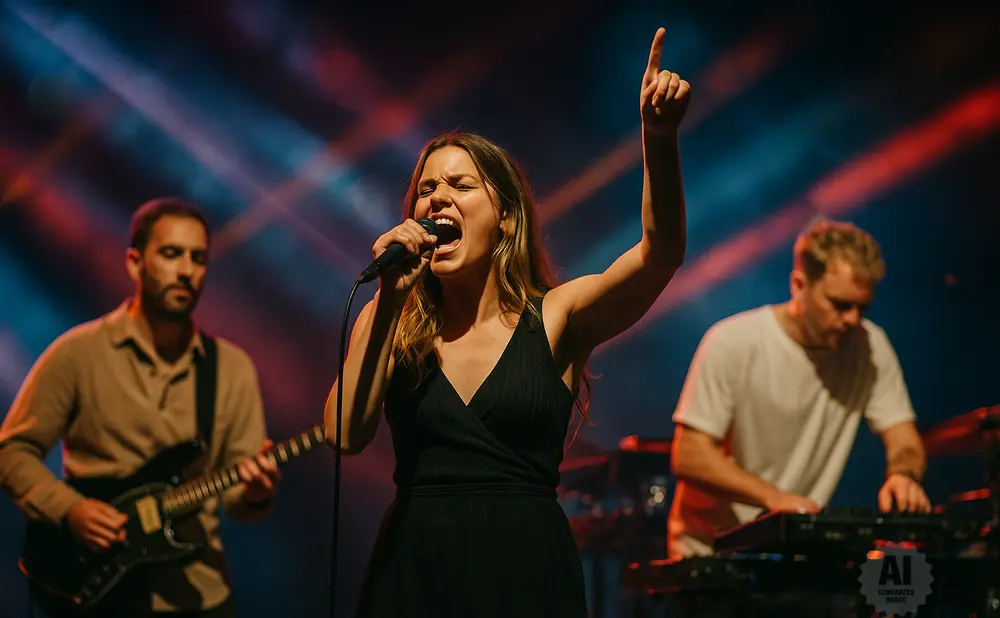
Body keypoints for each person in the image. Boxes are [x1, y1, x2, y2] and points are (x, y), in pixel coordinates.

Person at [323, 27, 688, 618]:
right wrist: (392, 297)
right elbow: (343, 433)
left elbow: (660, 253)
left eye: (460, 186)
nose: (436, 199)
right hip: (417, 570)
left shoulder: (558, 315)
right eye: (425, 189)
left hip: (526, 569)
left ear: (504, 215)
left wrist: (659, 137)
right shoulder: (388, 316)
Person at [0, 198, 280, 617]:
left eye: (198, 258)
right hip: (96, 591)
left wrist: (256, 493)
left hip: (196, 594)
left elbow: (241, 502)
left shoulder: (232, 368)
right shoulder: (78, 354)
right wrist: (69, 509)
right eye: (171, 254)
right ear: (134, 263)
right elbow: (11, 452)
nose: (186, 269)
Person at [667, 217, 931, 563]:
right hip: (708, 556)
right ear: (799, 284)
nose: (853, 319)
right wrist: (773, 498)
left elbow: (904, 439)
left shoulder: (870, 346)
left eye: (862, 307)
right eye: (840, 305)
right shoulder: (733, 342)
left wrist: (903, 475)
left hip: (792, 553)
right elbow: (689, 455)